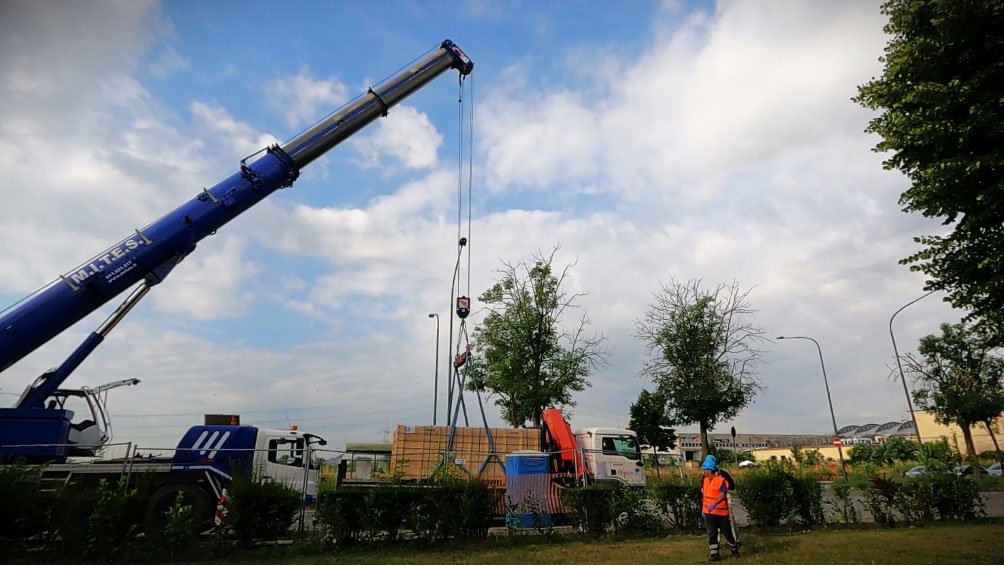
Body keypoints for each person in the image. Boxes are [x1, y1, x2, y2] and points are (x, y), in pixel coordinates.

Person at [701, 455, 739, 561]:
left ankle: (734, 549)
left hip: (721, 512)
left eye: (705, 469)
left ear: (710, 470)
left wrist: (714, 503)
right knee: (712, 533)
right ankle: (714, 554)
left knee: (727, 533)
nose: (703, 471)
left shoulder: (720, 480)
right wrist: (704, 510)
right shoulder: (705, 480)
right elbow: (704, 495)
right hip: (708, 512)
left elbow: (722, 495)